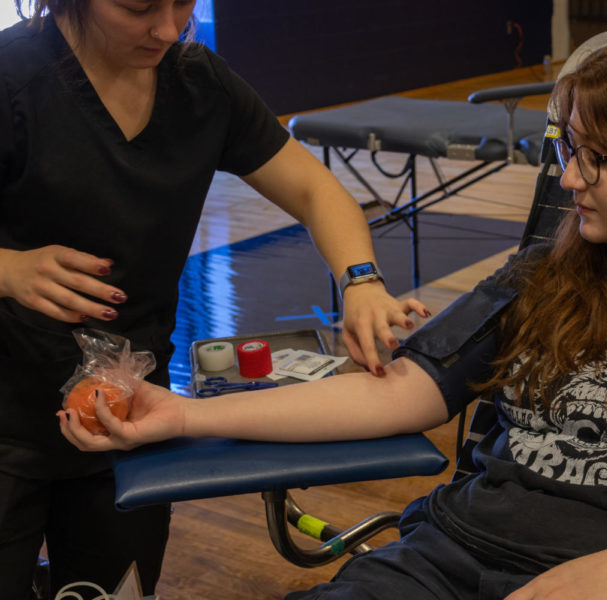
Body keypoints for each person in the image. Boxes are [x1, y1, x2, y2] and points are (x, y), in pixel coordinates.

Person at [59, 33, 607, 600]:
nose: (571, 177)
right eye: (566, 148)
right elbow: (397, 393)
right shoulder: (546, 275)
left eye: (595, 155)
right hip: (447, 561)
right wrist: (188, 414)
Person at [0, 0, 430, 597]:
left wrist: (362, 281)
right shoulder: (12, 77)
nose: (169, 28)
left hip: (129, 417)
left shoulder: (198, 81)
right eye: (139, 8)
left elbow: (315, 191)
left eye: (182, 3)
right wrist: (7, 268)